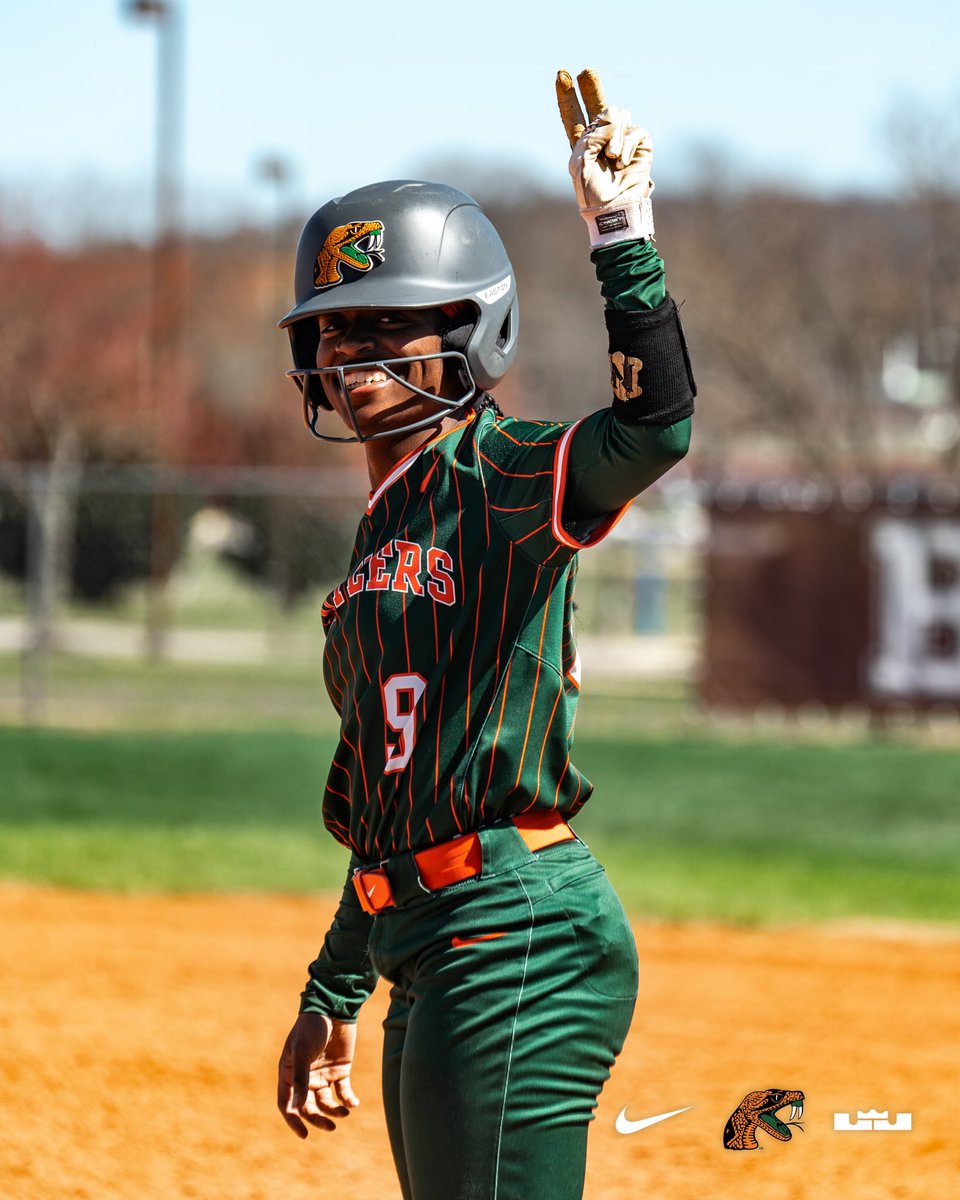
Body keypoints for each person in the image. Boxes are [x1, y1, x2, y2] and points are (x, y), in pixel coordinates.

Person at [274, 70, 695, 1200]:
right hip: (428, 935)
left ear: (468, 329)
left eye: (387, 324)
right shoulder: (376, 542)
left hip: (517, 933)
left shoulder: (501, 471)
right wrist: (332, 991)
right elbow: (386, 800)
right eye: (333, 327)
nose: (351, 352)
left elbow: (654, 430)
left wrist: (621, 236)